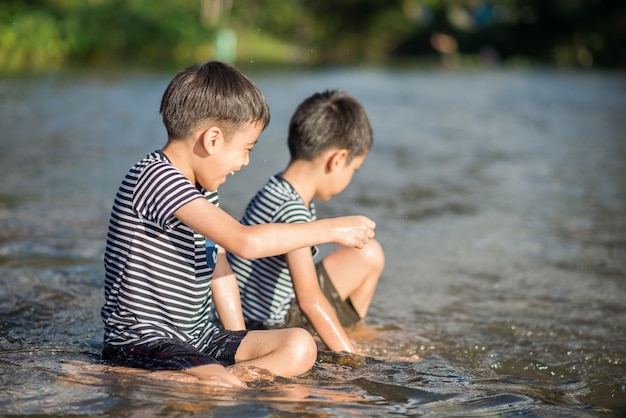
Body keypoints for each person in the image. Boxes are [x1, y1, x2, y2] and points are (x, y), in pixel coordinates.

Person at [100, 62, 376, 387]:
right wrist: (331, 230)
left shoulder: (200, 191)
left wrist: (237, 343)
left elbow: (220, 271)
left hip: (199, 338)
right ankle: (117, 373)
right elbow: (244, 242)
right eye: (245, 149)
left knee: (299, 346)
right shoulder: (155, 178)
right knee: (222, 385)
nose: (245, 162)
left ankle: (219, 378)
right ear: (213, 140)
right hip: (145, 343)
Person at [227, 90, 384, 354]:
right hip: (268, 325)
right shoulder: (293, 211)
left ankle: (351, 333)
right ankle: (346, 343)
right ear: (337, 160)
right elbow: (310, 300)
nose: (351, 177)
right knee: (370, 254)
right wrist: (354, 358)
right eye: (353, 170)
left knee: (368, 254)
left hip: (256, 308)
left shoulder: (276, 187)